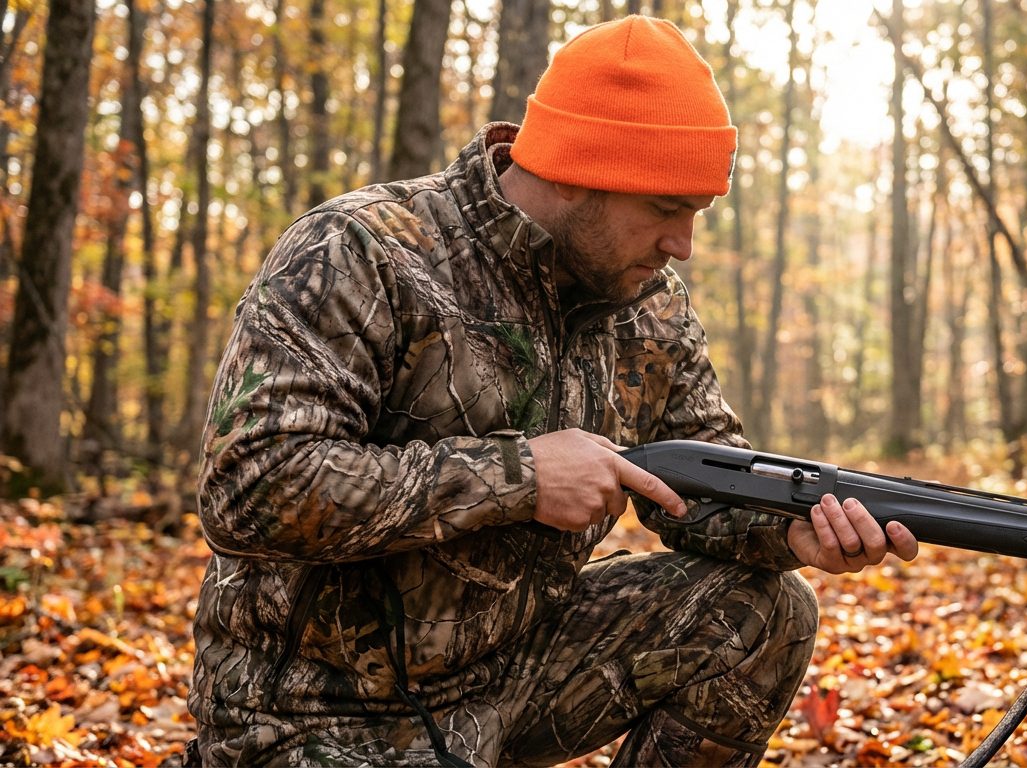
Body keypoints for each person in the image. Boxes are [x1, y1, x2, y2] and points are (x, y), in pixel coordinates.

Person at [186, 14, 919, 768]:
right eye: (665, 209)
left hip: (511, 680)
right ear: (574, 170)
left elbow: (708, 480)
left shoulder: (651, 304)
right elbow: (249, 487)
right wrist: (521, 475)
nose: (682, 245)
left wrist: (786, 531)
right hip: (312, 712)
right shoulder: (363, 249)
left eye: (695, 214)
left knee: (767, 611)